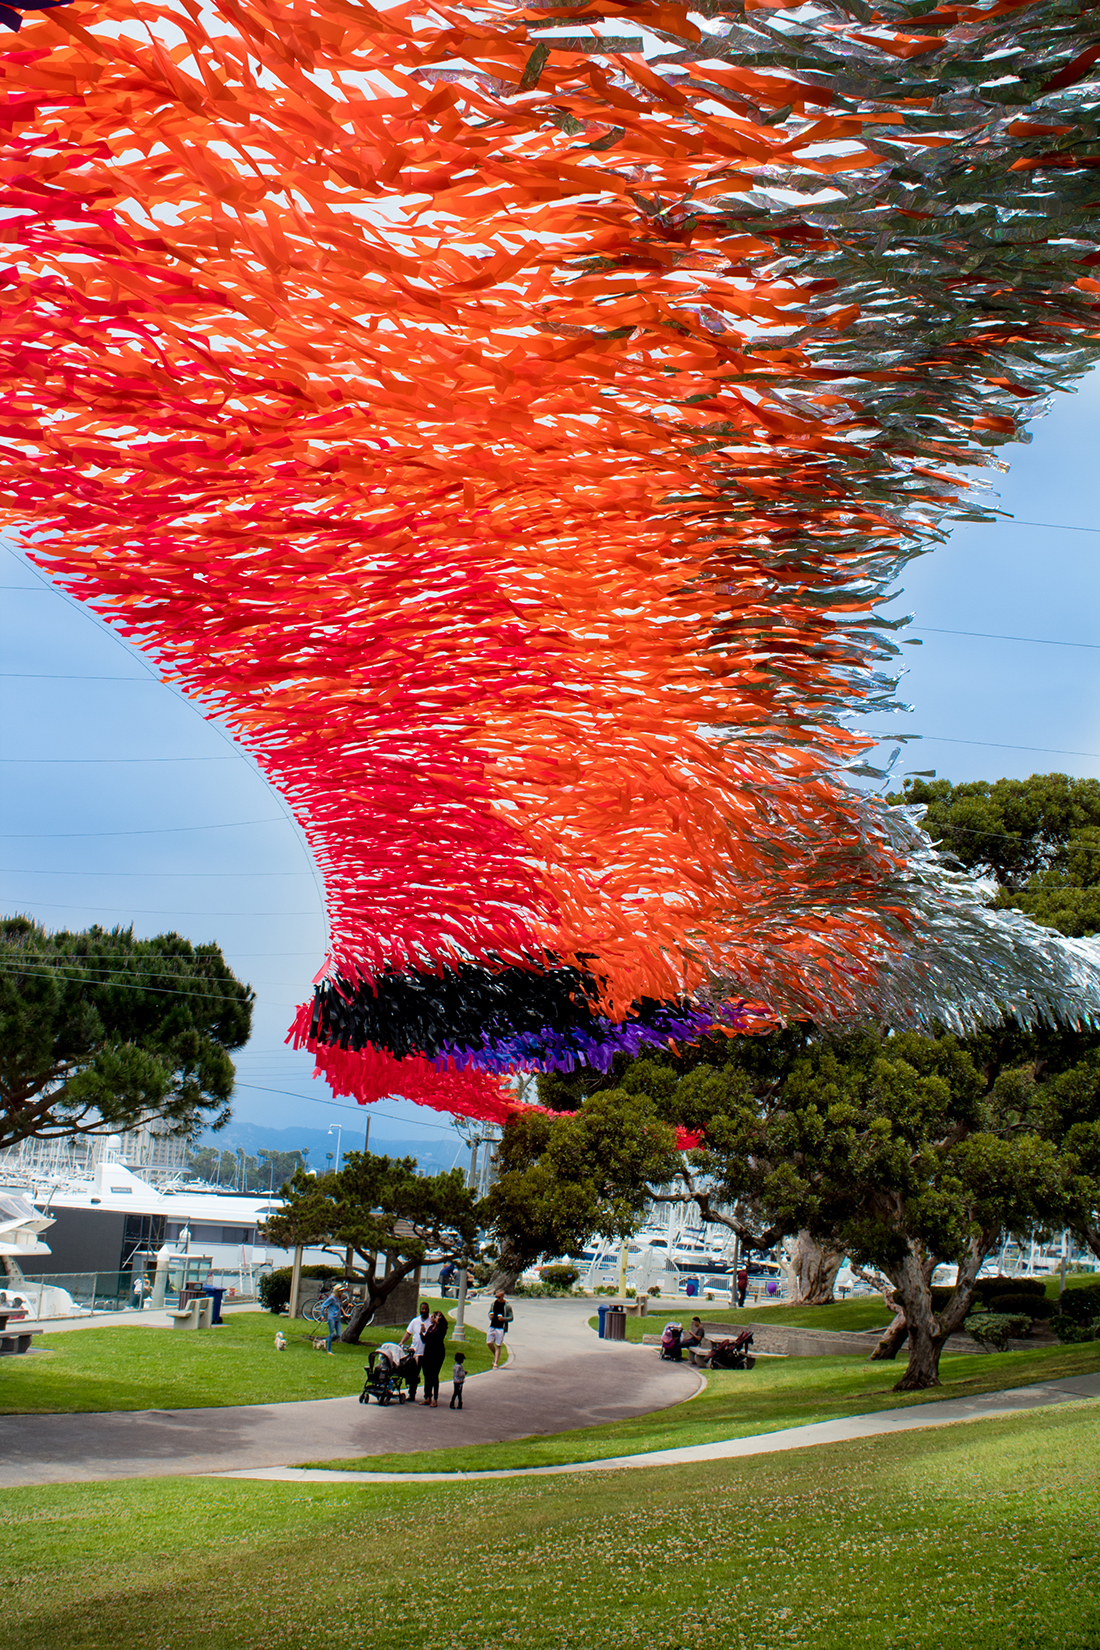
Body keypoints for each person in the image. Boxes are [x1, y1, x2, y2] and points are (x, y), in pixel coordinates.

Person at [401, 1301, 432, 1400]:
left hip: (427, 1353)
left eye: (425, 1309)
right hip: (415, 1352)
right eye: (422, 1309)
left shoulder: (432, 1321)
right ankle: (412, 1394)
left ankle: (428, 1395)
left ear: (428, 1310)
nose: (424, 1311)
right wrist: (401, 1342)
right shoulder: (415, 1321)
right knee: (413, 1374)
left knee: (427, 1375)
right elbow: (408, 1333)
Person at [419, 1309, 448, 1406]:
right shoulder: (431, 1327)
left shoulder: (441, 1328)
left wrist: (439, 1322)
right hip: (428, 1353)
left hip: (437, 1354)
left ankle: (435, 1399)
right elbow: (425, 1340)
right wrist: (421, 1333)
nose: (431, 1318)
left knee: (434, 1375)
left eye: (433, 1316)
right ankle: (428, 1397)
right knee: (427, 1375)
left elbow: (439, 1336)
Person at [487, 1290, 513, 1368]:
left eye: (499, 1297)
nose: (497, 1299)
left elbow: (511, 1317)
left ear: (503, 1296)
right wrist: (490, 1316)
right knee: (489, 1343)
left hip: (501, 1327)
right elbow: (490, 1312)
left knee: (498, 1345)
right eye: (496, 1297)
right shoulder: (493, 1303)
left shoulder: (507, 1306)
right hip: (492, 1326)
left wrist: (504, 1319)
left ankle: (495, 1362)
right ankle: (496, 1355)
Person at [319, 1285, 344, 1355]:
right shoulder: (332, 1298)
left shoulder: (340, 1298)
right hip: (332, 1318)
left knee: (339, 1335)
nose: (342, 1292)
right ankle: (329, 1350)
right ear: (337, 1291)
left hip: (338, 1318)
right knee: (332, 1334)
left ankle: (324, 1340)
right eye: (341, 1291)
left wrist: (344, 1314)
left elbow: (340, 1307)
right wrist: (322, 1315)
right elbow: (323, 1306)